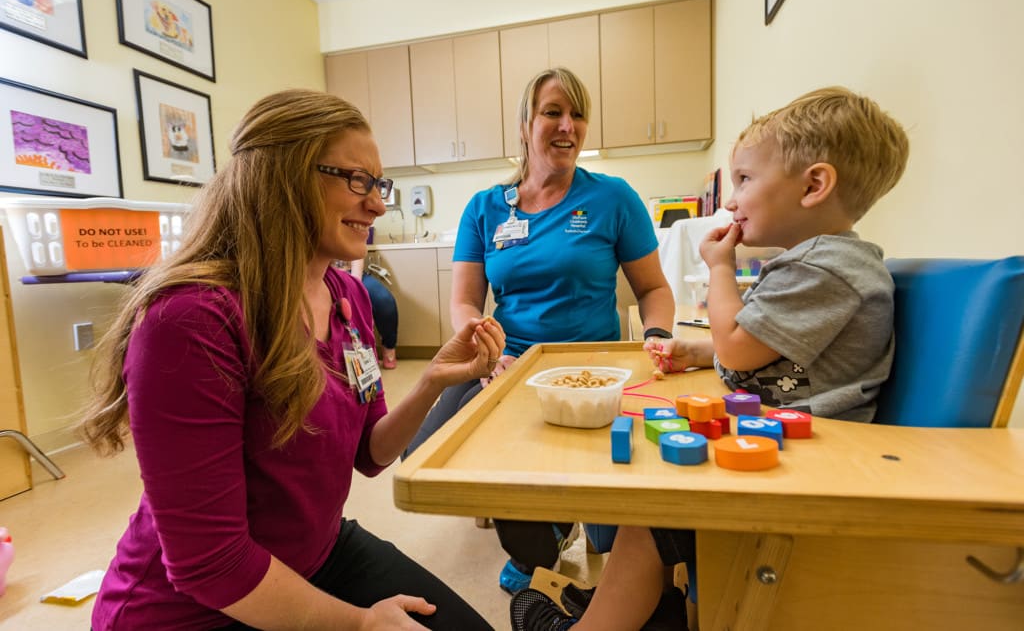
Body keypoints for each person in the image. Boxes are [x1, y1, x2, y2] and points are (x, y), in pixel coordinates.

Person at [79, 88, 505, 631]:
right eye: (358, 181)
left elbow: (370, 453)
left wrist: (432, 383)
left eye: (380, 186)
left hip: (315, 556)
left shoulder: (349, 299)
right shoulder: (191, 322)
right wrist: (359, 622)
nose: (376, 204)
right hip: (199, 610)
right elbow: (211, 563)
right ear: (284, 176)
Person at [509, 85, 911, 630]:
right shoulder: (818, 263)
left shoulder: (825, 269)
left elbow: (740, 344)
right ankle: (639, 606)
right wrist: (697, 350)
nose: (730, 201)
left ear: (814, 186)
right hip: (792, 437)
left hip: (812, 459)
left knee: (652, 513)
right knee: (647, 495)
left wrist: (721, 268)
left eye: (744, 180)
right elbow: (763, 354)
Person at [403, 67, 676, 594]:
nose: (568, 126)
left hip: (590, 364)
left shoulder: (613, 198)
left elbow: (653, 289)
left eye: (578, 115)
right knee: (424, 457)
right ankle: (537, 533)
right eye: (553, 112)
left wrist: (656, 335)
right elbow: (464, 300)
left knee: (597, 523)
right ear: (525, 123)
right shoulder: (485, 208)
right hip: (506, 359)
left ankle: (546, 534)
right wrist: (484, 345)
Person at [347, 256, 399, 368]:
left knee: (384, 300)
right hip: (326, 274)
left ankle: (389, 348)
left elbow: (357, 257)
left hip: (355, 273)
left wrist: (355, 285)